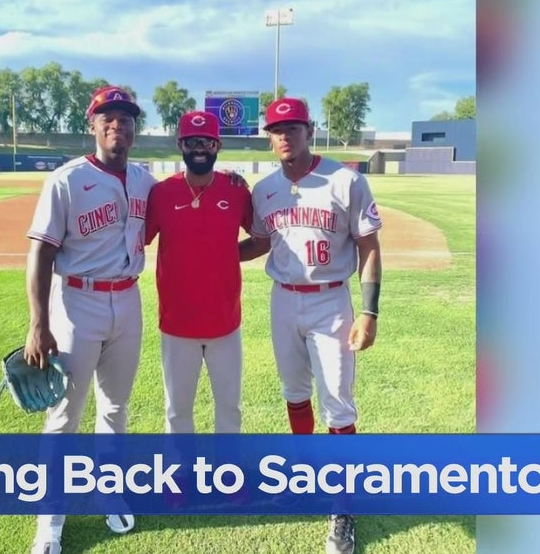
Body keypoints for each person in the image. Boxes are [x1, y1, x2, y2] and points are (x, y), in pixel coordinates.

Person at [238, 97, 383, 554]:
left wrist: (369, 311)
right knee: (294, 394)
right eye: (276, 129)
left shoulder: (345, 180)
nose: (284, 135)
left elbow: (369, 245)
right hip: (283, 301)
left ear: (309, 129)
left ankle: (343, 505)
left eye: (292, 127)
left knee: (338, 402)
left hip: (331, 304)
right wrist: (208, 252)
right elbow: (260, 242)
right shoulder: (264, 189)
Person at [23, 85, 156, 554]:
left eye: (125, 118)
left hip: (129, 300)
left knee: (115, 409)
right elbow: (40, 254)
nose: (117, 125)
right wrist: (39, 324)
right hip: (77, 304)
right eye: (108, 118)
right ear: (93, 125)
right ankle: (49, 521)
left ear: (135, 130)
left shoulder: (143, 180)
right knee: (64, 417)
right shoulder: (65, 180)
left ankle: (109, 489)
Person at [144, 110, 252, 435]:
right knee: (177, 412)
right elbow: (136, 241)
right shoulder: (161, 193)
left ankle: (227, 477)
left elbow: (262, 238)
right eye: (192, 141)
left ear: (217, 145)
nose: (200, 148)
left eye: (207, 141)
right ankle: (178, 478)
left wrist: (223, 256)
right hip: (177, 324)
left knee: (230, 409)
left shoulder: (236, 191)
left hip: (225, 323)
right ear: (181, 145)